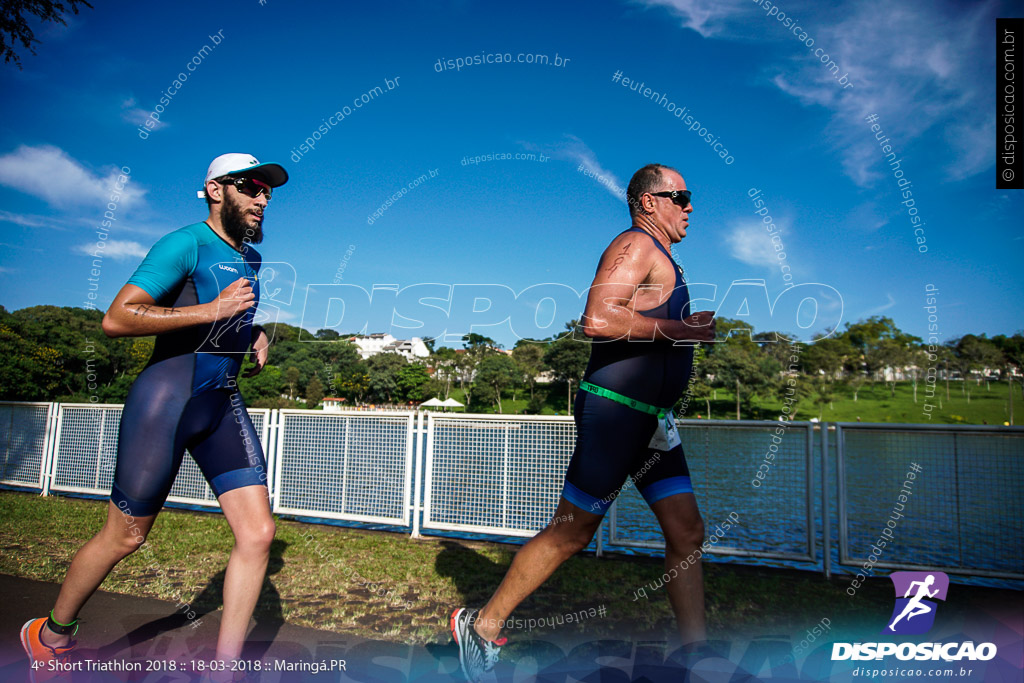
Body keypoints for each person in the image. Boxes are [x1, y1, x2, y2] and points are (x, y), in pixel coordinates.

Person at [20, 153, 288, 682]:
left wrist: (251, 335)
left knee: (258, 535)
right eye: (249, 187)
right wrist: (216, 311)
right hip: (164, 404)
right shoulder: (183, 243)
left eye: (268, 191)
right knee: (125, 537)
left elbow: (227, 322)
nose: (261, 198)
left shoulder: (251, 259)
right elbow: (117, 318)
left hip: (221, 404)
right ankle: (50, 634)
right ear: (216, 190)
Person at [450, 163, 716, 681]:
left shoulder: (664, 256)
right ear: (649, 202)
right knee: (572, 533)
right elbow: (598, 319)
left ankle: (696, 654)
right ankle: (480, 627)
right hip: (617, 413)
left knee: (687, 532)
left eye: (690, 196)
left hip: (653, 421)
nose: (689, 206)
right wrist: (681, 328)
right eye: (679, 196)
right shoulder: (636, 243)